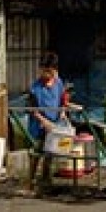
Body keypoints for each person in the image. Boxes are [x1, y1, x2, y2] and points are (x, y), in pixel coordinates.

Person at [27, 52, 67, 189]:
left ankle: (46, 179)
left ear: (55, 71)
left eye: (49, 72)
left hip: (54, 124)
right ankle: (31, 180)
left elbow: (63, 100)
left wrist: (62, 112)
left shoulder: (59, 83)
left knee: (50, 152)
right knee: (36, 152)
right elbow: (32, 110)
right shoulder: (35, 88)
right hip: (38, 125)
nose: (46, 75)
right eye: (43, 71)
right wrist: (44, 121)